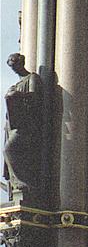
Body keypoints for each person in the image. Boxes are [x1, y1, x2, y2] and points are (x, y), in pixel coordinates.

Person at [3, 53, 42, 200]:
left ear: (22, 64)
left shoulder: (32, 78)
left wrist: (16, 95)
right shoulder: (16, 84)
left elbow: (34, 97)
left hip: (26, 124)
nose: (15, 70)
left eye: (15, 66)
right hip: (13, 124)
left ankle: (23, 182)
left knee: (9, 149)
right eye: (12, 68)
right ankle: (15, 183)